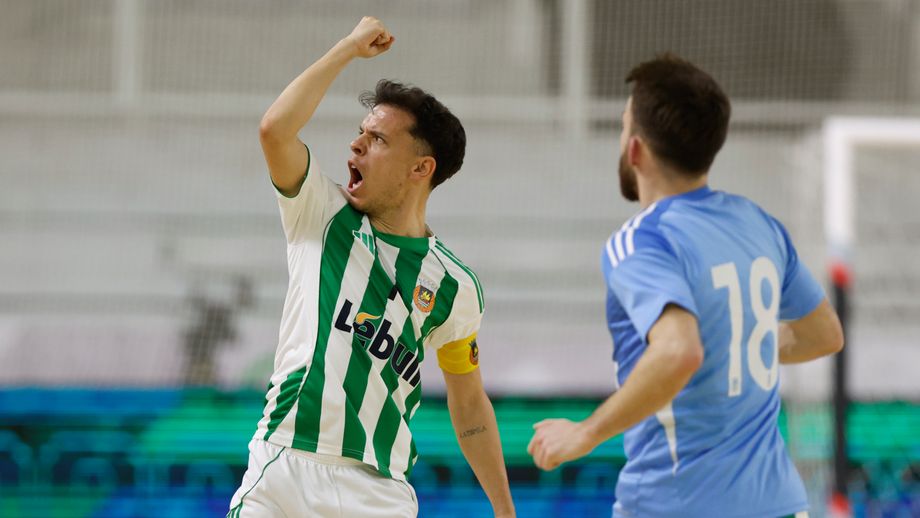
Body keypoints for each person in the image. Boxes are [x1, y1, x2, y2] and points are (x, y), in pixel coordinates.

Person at [527, 54, 844, 518]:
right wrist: (735, 340)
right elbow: (824, 334)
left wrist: (584, 433)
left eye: (622, 127)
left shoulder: (641, 241)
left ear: (635, 150)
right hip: (781, 506)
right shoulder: (760, 224)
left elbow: (678, 352)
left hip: (677, 504)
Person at [228, 17, 515, 518]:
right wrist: (346, 49)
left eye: (378, 139)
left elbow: (469, 408)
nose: (356, 146)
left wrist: (505, 512)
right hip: (283, 467)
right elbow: (275, 130)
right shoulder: (322, 213)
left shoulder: (454, 287)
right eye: (359, 133)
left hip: (377, 492)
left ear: (421, 169)